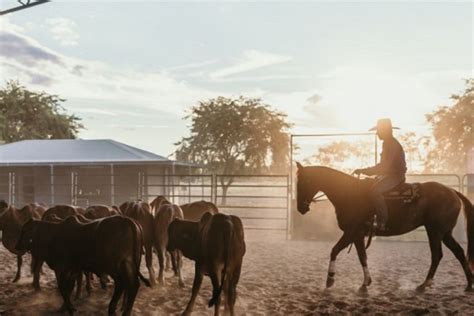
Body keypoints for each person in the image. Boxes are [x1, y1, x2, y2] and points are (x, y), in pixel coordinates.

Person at [354, 118, 407, 231]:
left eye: (379, 130)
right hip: (389, 175)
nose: (377, 133)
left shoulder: (391, 144)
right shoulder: (388, 143)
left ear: (385, 131)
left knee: (375, 192)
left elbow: (384, 167)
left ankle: (382, 222)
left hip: (395, 176)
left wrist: (364, 170)